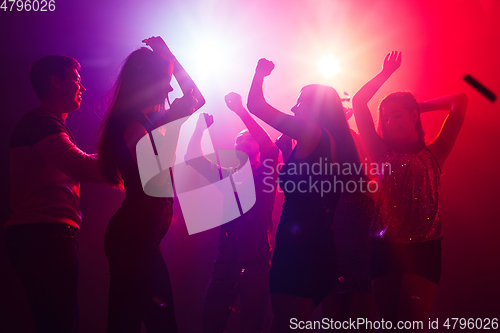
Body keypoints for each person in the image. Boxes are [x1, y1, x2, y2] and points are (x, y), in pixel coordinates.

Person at [351, 51, 468, 331]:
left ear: (413, 115)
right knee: (388, 326)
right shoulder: (381, 152)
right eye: (387, 118)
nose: (391, 122)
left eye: (397, 115)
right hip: (384, 248)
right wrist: (385, 73)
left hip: (424, 250)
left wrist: (419, 105)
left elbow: (460, 101)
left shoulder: (436, 152)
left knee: (411, 326)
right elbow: (358, 102)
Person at [97, 36, 204, 333]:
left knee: (160, 323)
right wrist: (174, 125)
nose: (171, 88)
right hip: (132, 239)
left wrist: (169, 55)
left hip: (144, 240)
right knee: (128, 323)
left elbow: (197, 96)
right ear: (146, 81)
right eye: (165, 80)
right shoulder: (129, 123)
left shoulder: (152, 119)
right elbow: (153, 174)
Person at [247, 58, 363, 331]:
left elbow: (256, 106)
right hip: (314, 243)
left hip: (300, 245)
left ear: (316, 107)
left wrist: (259, 73)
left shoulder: (312, 133)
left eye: (299, 102)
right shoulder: (326, 141)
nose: (292, 107)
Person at [5, 55, 101, 333]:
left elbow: (81, 163)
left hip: (44, 236)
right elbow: (81, 165)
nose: (82, 88)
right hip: (42, 236)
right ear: (55, 83)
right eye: (77, 80)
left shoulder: (47, 123)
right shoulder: (40, 122)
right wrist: (127, 155)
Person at [185, 92, 279, 333]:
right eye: (237, 141)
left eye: (247, 139)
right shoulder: (227, 176)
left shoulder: (264, 174)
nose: (240, 143)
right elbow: (193, 158)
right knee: (211, 322)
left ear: (257, 145)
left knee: (251, 325)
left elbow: (271, 150)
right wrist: (199, 131)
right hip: (225, 260)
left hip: (256, 261)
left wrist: (241, 111)